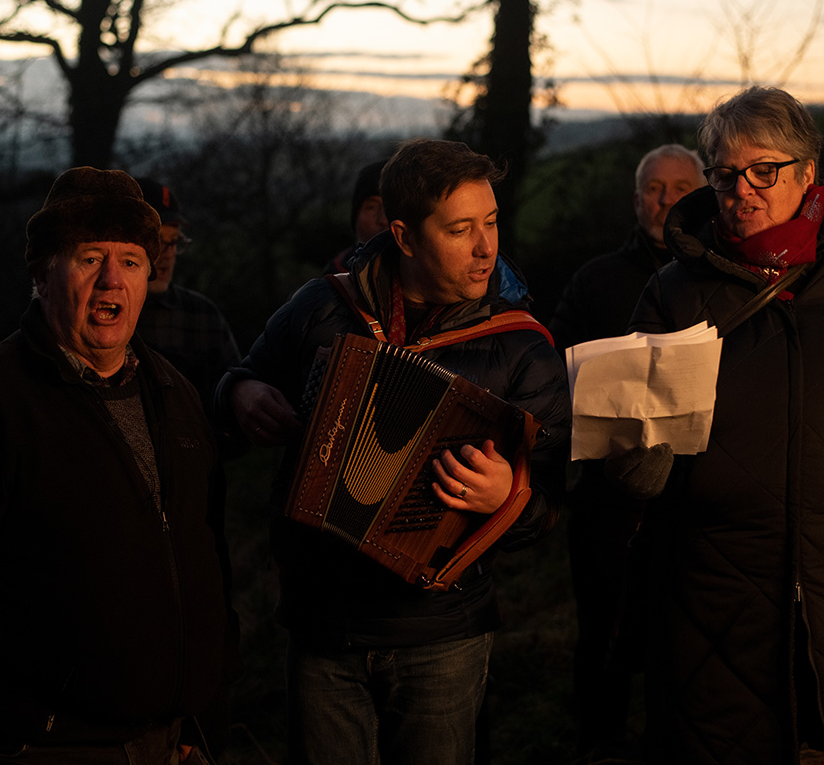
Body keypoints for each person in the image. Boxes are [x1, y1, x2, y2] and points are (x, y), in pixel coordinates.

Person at [215, 138, 570, 765]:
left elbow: (554, 499)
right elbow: (241, 378)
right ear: (404, 236)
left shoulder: (524, 347)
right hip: (323, 625)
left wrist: (508, 497)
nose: (486, 247)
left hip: (442, 632)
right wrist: (240, 394)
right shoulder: (323, 305)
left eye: (491, 223)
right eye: (460, 230)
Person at [0, 167, 240, 764]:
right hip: (44, 746)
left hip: (173, 743)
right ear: (41, 274)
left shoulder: (176, 395)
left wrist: (204, 718)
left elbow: (210, 562)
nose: (112, 279)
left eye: (131, 261)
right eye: (89, 259)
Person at [627, 86, 824, 764]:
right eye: (725, 175)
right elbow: (633, 470)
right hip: (715, 606)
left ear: (807, 173)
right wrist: (634, 459)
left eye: (764, 171)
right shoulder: (673, 291)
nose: (742, 190)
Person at [547, 144, 705, 759]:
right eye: (653, 189)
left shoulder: (720, 279)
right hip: (607, 502)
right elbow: (552, 374)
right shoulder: (595, 281)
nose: (666, 201)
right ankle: (601, 744)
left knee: (686, 642)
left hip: (698, 502)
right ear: (636, 200)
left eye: (680, 188)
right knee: (603, 637)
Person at [134, 176, 242, 416]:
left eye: (174, 242)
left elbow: (231, 401)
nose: (168, 253)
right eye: (157, 240)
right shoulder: (96, 311)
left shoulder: (202, 316)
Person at [323, 159, 390, 274]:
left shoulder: (420, 280)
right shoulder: (333, 279)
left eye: (391, 208)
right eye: (371, 207)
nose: (383, 220)